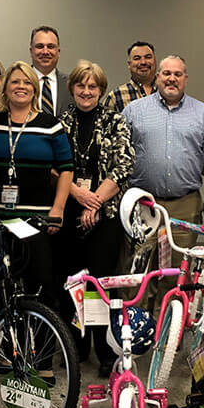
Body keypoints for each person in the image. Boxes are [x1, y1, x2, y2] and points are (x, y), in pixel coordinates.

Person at [122, 55, 204, 303]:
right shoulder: (134, 111)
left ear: (186, 79)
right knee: (140, 270)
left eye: (177, 74)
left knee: (177, 272)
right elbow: (121, 157)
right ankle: (139, 334)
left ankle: (169, 334)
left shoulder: (203, 114)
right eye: (166, 73)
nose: (172, 78)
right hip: (144, 204)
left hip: (185, 204)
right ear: (157, 77)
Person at [0, 61, 73, 309]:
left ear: (34, 90)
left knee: (39, 285)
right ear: (5, 88)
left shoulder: (51, 125)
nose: (21, 86)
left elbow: (67, 169)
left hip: (36, 221)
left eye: (27, 82)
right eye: (15, 81)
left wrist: (57, 210)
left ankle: (38, 343)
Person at [58, 60, 135, 374]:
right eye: (81, 85)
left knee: (103, 283)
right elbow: (55, 168)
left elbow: (124, 165)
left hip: (106, 214)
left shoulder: (115, 120)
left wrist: (95, 203)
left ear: (101, 90)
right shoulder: (62, 122)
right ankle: (77, 344)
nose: (86, 91)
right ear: (72, 88)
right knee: (73, 281)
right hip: (70, 209)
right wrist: (79, 195)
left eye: (92, 86)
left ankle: (105, 350)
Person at [104, 41, 157, 113]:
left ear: (155, 61)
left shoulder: (168, 92)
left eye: (148, 57)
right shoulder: (116, 97)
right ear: (129, 64)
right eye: (137, 58)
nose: (143, 62)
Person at [29, 25, 69, 115]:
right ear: (31, 51)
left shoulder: (71, 84)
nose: (45, 52)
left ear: (58, 52)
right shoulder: (18, 83)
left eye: (50, 46)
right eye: (40, 46)